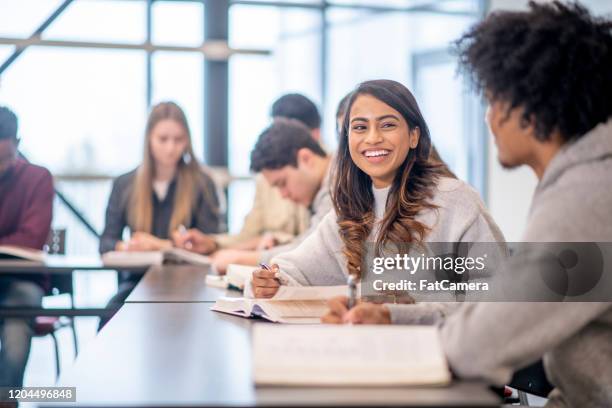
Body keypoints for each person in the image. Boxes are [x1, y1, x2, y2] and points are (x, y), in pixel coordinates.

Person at [324, 2, 612, 407]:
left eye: (493, 102)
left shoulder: (587, 199)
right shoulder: (587, 182)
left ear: (529, 106)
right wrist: (393, 316)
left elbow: (485, 338)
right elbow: (499, 310)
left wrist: (392, 335)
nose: (489, 119)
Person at [251, 80, 505, 326]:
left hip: (441, 358)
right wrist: (273, 278)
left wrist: (394, 315)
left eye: (387, 125)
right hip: (372, 354)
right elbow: (297, 268)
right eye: (360, 127)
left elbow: (496, 297)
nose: (372, 138)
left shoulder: (455, 201)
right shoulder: (350, 209)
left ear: (414, 136)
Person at [99, 101, 220, 327]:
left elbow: (213, 242)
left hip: (190, 286)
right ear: (149, 140)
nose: (171, 148)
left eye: (178, 139)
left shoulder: (202, 183)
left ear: (188, 140)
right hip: (135, 284)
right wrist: (127, 246)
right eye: (163, 139)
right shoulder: (124, 184)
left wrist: (158, 245)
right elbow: (106, 242)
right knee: (109, 320)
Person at [174, 93, 323, 255]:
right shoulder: (267, 178)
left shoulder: (332, 181)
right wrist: (212, 244)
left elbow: (314, 248)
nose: (277, 142)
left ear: (313, 137)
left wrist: (274, 240)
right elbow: (248, 235)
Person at [202, 118, 334, 273]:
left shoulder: (339, 184)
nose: (283, 195)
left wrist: (242, 260)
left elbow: (311, 251)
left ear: (306, 158)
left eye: (283, 183)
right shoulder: (322, 187)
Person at [0, 106, 54, 389]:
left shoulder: (37, 178)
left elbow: (32, 238)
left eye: (5, 158)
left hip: (22, 279)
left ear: (17, 145)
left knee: (15, 329)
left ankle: (6, 400)